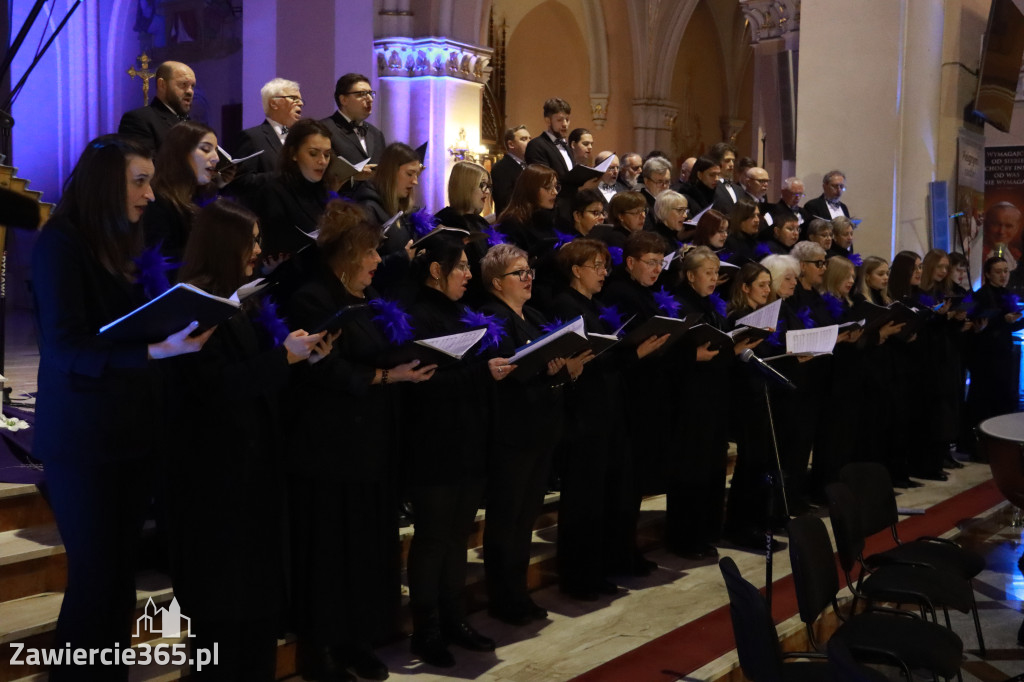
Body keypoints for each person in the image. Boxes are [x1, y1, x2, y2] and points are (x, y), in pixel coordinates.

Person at [32, 134, 213, 681]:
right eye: (140, 181)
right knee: (95, 579)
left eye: (151, 181)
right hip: (83, 439)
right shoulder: (60, 244)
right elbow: (65, 347)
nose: (151, 194)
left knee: (118, 579)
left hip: (132, 432)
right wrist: (153, 348)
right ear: (107, 182)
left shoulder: (125, 243)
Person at [164, 200, 326, 681]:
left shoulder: (236, 301)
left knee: (254, 617)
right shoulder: (191, 306)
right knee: (222, 623)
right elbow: (214, 388)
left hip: (251, 476)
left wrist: (296, 356)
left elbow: (251, 378)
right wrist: (283, 360)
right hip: (216, 486)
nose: (258, 251)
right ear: (224, 245)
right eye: (251, 241)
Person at [285, 200, 437, 682]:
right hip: (330, 447)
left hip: (371, 442)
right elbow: (322, 371)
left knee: (367, 549)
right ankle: (322, 647)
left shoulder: (368, 300)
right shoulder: (312, 299)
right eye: (371, 253)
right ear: (349, 253)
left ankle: (358, 637)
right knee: (332, 552)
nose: (378, 261)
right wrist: (386, 376)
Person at [403, 234, 510, 666]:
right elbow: (422, 382)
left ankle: (454, 617)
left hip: (468, 437)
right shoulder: (416, 314)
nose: (469, 274)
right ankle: (424, 629)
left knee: (457, 537)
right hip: (433, 443)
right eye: (462, 267)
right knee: (432, 540)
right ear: (435, 270)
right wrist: (479, 371)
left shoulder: (463, 312)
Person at [549, 239, 667, 598]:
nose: (603, 272)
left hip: (607, 411)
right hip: (583, 415)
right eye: (596, 266)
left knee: (602, 497)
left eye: (604, 266)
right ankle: (578, 577)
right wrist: (635, 355)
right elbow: (587, 363)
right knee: (581, 501)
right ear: (575, 271)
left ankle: (599, 567)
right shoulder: (566, 306)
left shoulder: (594, 304)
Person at [479, 244, 582, 624]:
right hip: (512, 431)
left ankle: (518, 593)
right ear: (495, 282)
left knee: (525, 518)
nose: (527, 279)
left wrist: (567, 366)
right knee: (507, 519)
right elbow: (507, 373)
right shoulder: (492, 317)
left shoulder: (535, 315)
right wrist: (548, 366)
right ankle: (503, 598)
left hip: (542, 428)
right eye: (518, 273)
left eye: (529, 272)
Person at [722, 262, 782, 550]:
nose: (767, 290)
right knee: (751, 463)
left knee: (761, 461)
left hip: (760, 395)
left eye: (769, 285)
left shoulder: (760, 317)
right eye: (761, 285)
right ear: (745, 287)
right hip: (744, 398)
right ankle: (742, 527)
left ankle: (758, 522)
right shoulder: (739, 319)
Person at [144, 121, 221, 264]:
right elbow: (161, 262)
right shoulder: (157, 201)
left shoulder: (205, 197)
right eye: (205, 149)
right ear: (180, 153)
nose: (216, 158)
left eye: (216, 150)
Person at [350, 142, 422, 292]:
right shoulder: (368, 208)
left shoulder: (404, 210)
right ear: (391, 172)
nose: (415, 181)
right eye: (409, 174)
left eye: (417, 174)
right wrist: (402, 258)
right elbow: (358, 266)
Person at [257, 118, 334, 256]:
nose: (322, 161)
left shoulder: (324, 190)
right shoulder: (274, 190)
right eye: (313, 153)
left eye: (327, 155)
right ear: (293, 153)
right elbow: (274, 247)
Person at [966, 256, 1024, 435]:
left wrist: (1018, 320)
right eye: (998, 272)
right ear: (988, 275)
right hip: (985, 357)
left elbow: (1010, 324)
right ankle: (979, 443)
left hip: (1004, 354)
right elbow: (975, 324)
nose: (1003, 275)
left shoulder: (1007, 294)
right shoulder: (979, 295)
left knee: (1004, 398)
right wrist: (1001, 319)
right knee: (984, 402)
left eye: (1006, 271)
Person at [118, 61, 195, 150]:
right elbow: (142, 162)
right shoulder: (139, 120)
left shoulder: (190, 123)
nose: (190, 91)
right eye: (183, 84)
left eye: (192, 86)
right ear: (162, 85)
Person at [233, 77, 304, 175]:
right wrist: (281, 178)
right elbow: (242, 181)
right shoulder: (253, 138)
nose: (301, 103)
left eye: (300, 99)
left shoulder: (301, 139)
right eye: (294, 98)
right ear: (274, 103)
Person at [321, 73, 386, 171]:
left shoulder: (376, 134)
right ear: (343, 100)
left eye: (370, 94)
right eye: (362, 94)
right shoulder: (324, 129)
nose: (370, 99)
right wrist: (353, 176)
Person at [525, 98, 574, 177]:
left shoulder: (566, 146)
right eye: (559, 120)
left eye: (567, 119)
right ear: (548, 121)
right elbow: (542, 180)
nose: (565, 124)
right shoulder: (536, 145)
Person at [492, 125, 530, 215]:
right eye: (524, 139)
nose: (529, 142)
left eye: (530, 139)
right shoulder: (501, 168)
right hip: (512, 222)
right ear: (511, 144)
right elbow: (505, 202)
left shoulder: (531, 164)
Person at [723, 197, 763, 264]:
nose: (757, 220)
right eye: (752, 216)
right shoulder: (729, 243)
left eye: (757, 215)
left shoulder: (756, 242)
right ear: (740, 218)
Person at [639, 156, 673, 228]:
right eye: (659, 182)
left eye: (667, 182)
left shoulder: (671, 201)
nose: (664, 186)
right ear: (646, 181)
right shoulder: (640, 203)